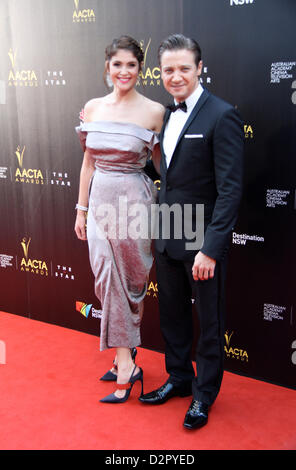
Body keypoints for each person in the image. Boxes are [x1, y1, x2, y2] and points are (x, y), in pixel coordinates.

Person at [140, 34, 244, 429]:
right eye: (168, 69)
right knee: (172, 317)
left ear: (200, 68)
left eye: (184, 68)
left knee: (209, 323)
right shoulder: (166, 115)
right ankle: (179, 378)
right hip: (167, 236)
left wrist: (212, 249)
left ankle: (204, 395)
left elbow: (231, 189)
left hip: (202, 244)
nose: (176, 76)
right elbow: (167, 175)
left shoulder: (222, 115)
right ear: (161, 73)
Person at [74, 35, 164, 403]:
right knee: (105, 277)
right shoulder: (92, 108)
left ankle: (122, 358)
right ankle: (128, 364)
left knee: (130, 282)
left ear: (141, 70)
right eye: (117, 64)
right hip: (99, 200)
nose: (124, 71)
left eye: (131, 65)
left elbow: (163, 165)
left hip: (134, 203)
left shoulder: (155, 111)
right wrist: (80, 208)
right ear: (107, 68)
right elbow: (88, 163)